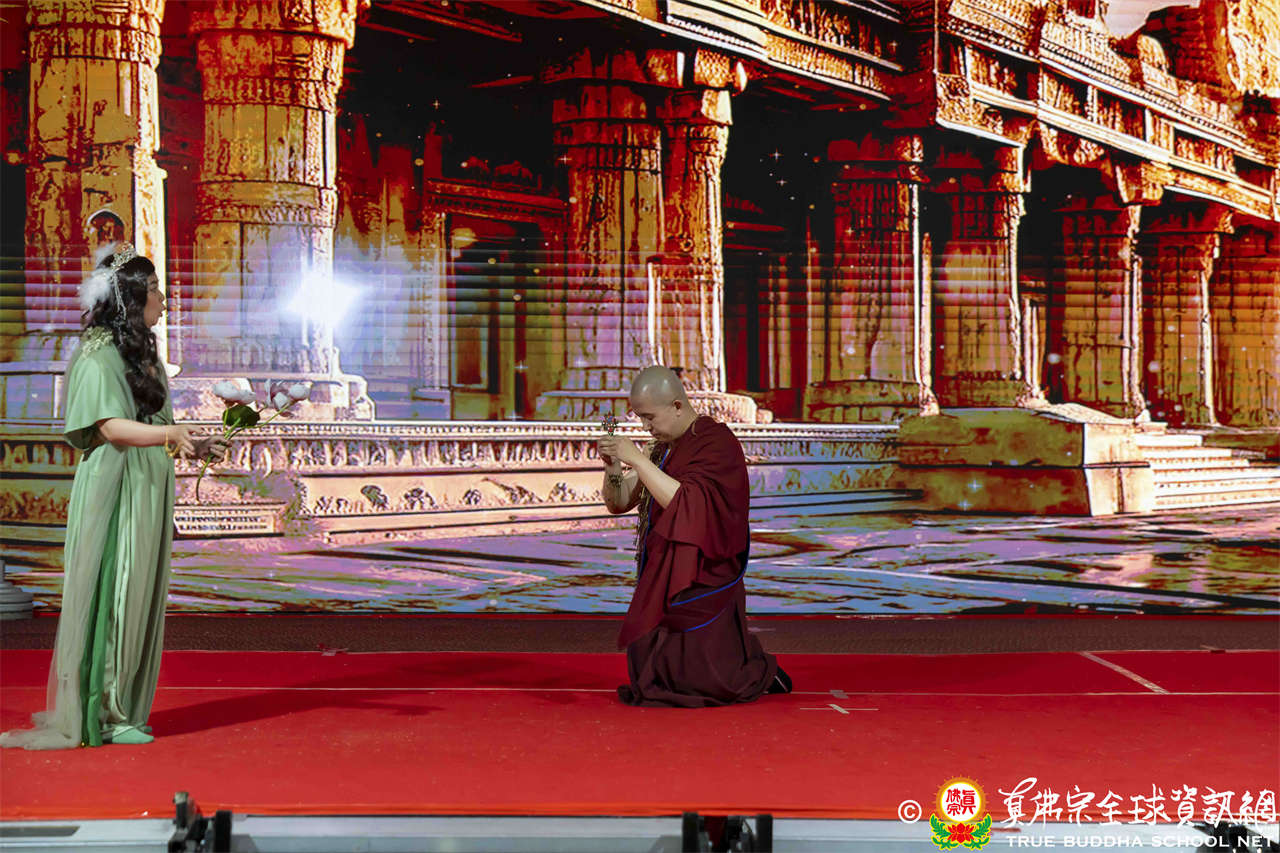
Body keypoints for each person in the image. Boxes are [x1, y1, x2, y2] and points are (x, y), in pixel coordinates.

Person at [0, 244, 227, 749]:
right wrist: (169, 435)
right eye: (155, 291)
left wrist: (190, 441)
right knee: (116, 589)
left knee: (140, 591)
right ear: (132, 298)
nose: (164, 300)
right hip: (116, 484)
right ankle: (102, 710)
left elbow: (154, 422)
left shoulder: (143, 353)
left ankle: (122, 706)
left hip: (147, 482)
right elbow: (108, 426)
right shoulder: (97, 353)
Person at [597, 365, 791, 707]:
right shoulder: (662, 449)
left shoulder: (715, 441)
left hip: (702, 570)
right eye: (640, 418)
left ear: (676, 406)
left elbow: (690, 504)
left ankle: (761, 671)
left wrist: (638, 461)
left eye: (649, 417)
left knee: (709, 679)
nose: (645, 426)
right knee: (657, 672)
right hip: (664, 567)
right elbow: (619, 503)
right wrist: (613, 465)